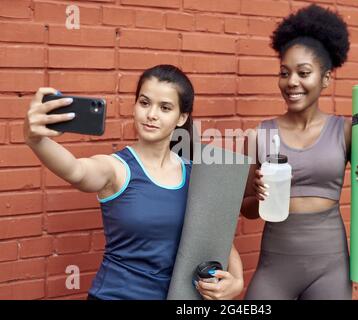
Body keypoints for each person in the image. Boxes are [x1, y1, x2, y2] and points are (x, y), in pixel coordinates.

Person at [24, 64, 244, 300]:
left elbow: (217, 234)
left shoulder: (196, 175)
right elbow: (77, 171)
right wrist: (35, 140)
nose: (151, 114)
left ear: (181, 117)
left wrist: (237, 281)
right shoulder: (116, 168)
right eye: (145, 102)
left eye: (165, 107)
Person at [240, 4, 358, 300]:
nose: (292, 82)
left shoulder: (347, 131)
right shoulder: (259, 135)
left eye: (304, 73)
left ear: (326, 78)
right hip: (274, 267)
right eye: (284, 73)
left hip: (330, 267)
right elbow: (248, 210)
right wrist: (256, 192)